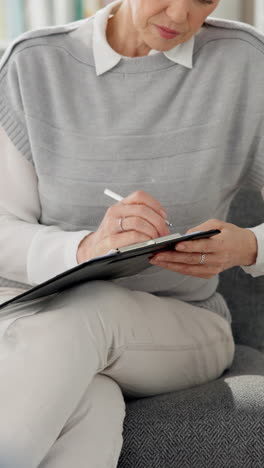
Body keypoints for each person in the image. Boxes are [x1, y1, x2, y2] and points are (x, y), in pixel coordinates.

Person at [0, 0, 263, 466]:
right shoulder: (32, 64)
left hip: (185, 322)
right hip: (38, 319)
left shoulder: (244, 64)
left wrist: (248, 245)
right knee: (91, 410)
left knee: (90, 314)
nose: (181, 16)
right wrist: (86, 247)